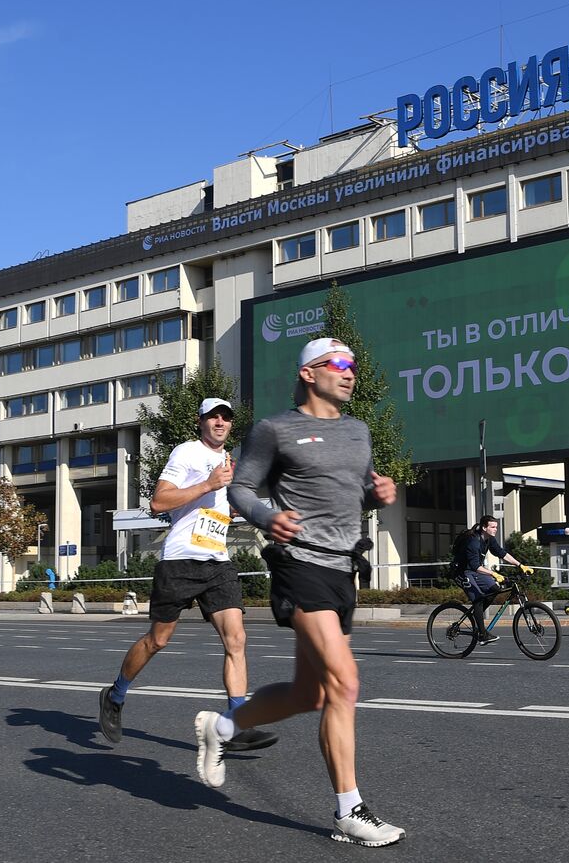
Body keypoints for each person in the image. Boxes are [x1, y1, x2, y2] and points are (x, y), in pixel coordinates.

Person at [196, 337, 403, 847]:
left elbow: (345, 494)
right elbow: (241, 488)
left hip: (342, 567)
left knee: (309, 694)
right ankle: (349, 812)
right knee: (345, 683)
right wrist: (269, 517)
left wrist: (377, 495)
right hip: (298, 564)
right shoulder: (276, 430)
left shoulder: (359, 432)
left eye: (353, 364)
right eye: (338, 364)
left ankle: (220, 729)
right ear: (309, 373)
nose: (349, 372)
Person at [97, 398, 276, 754]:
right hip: (180, 560)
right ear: (201, 422)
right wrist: (208, 485)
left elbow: (223, 507)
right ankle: (115, 695)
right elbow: (158, 502)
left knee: (236, 638)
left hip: (217, 561)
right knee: (158, 640)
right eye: (213, 417)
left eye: (226, 417)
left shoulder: (229, 461)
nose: (220, 422)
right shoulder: (187, 452)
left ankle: (237, 720)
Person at [455, 515, 531, 644]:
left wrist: (520, 565)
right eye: (493, 527)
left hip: (476, 571)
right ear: (484, 527)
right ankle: (482, 633)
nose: (495, 529)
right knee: (478, 599)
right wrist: (493, 574)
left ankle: (476, 616)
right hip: (462, 572)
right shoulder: (473, 542)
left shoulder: (489, 539)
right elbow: (475, 566)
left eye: (496, 527)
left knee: (494, 589)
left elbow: (501, 553)